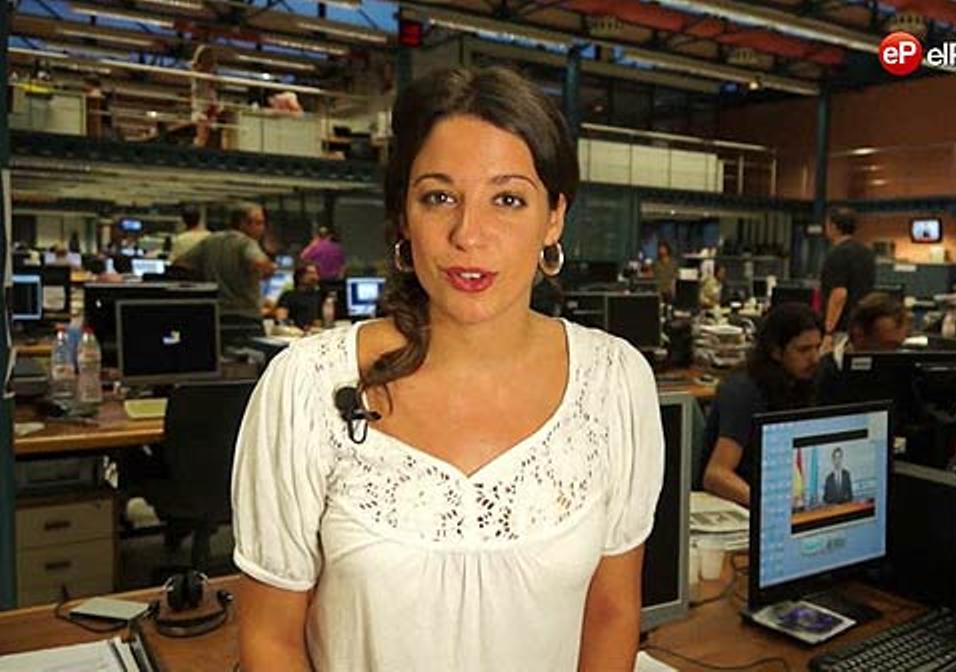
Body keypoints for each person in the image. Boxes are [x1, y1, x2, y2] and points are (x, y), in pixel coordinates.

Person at [232, 66, 664, 672]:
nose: (469, 234)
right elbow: (271, 640)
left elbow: (612, 612)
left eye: (507, 199)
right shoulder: (308, 388)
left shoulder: (615, 383)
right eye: (439, 197)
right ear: (404, 217)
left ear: (554, 217)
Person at [702, 303, 823, 507]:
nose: (815, 359)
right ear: (776, 351)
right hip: (746, 499)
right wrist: (770, 507)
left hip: (787, 492)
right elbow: (716, 474)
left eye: (817, 347)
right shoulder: (744, 390)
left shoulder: (802, 382)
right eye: (803, 350)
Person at [176, 202, 275, 344]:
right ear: (243, 223)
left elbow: (180, 264)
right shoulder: (246, 242)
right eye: (259, 223)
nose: (262, 228)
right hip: (246, 319)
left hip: (215, 316)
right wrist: (269, 267)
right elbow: (260, 264)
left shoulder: (210, 240)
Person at [816, 291, 909, 405]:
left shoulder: (903, 373)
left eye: (898, 347)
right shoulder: (822, 374)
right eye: (887, 346)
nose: (893, 353)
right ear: (859, 335)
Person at [819, 208, 875, 354]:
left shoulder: (837, 254)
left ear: (833, 227)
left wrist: (828, 332)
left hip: (840, 329)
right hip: (862, 326)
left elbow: (839, 294)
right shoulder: (867, 253)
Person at [274, 263, 324, 329]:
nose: (314, 277)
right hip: (295, 333)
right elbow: (281, 320)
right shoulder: (288, 296)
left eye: (316, 273)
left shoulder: (320, 296)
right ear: (299, 276)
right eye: (310, 273)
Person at [191, 45, 221, 149]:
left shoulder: (212, 73)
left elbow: (214, 87)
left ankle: (201, 148)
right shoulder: (197, 71)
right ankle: (198, 148)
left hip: (208, 102)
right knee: (202, 133)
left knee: (206, 133)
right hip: (201, 104)